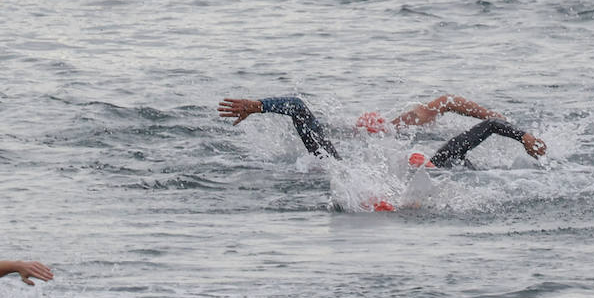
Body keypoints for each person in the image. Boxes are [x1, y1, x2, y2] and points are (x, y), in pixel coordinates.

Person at [216, 94, 547, 168]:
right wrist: (258, 105)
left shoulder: (441, 159)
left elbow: (486, 123)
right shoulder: (342, 166)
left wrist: (522, 135)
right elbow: (298, 107)